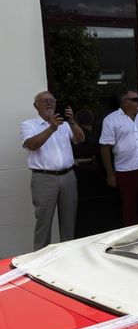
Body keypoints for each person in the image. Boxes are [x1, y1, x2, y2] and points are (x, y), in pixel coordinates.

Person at [21, 91, 85, 250]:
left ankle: (68, 256)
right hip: (44, 179)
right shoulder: (29, 125)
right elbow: (32, 145)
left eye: (52, 100)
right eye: (44, 101)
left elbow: (80, 138)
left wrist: (72, 122)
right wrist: (51, 128)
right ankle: (40, 260)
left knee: (68, 221)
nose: (49, 103)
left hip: (68, 176)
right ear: (36, 106)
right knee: (44, 222)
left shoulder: (64, 124)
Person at [100, 88, 138, 231]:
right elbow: (105, 148)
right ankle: (132, 238)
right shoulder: (111, 120)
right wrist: (110, 174)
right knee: (129, 206)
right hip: (126, 169)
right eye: (135, 99)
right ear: (124, 102)